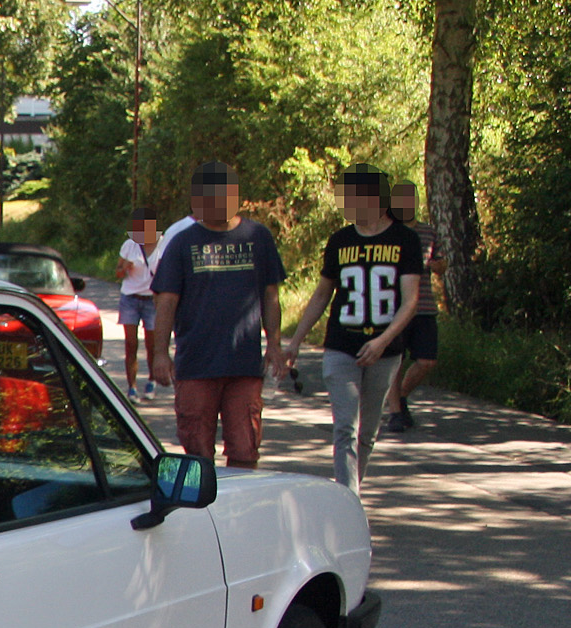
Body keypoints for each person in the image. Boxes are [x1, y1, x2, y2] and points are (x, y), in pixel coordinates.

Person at [284, 165, 422, 492]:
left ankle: (350, 490)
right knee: (345, 427)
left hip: (385, 351)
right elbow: (322, 294)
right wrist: (296, 340)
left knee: (367, 431)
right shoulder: (340, 240)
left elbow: (411, 300)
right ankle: (350, 500)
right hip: (340, 345)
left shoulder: (405, 239)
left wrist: (383, 341)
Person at [149, 162, 287, 468]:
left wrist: (275, 346)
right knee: (197, 454)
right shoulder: (182, 243)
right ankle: (203, 513)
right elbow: (166, 302)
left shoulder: (258, 237)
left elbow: (270, 296)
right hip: (197, 365)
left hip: (244, 366)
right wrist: (159, 353)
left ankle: (240, 512)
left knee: (245, 450)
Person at [382, 179, 443, 432]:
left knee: (427, 360)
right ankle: (396, 412)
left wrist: (433, 264)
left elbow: (440, 263)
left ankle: (402, 396)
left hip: (424, 305)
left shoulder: (428, 231)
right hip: (394, 306)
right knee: (395, 360)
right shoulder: (388, 232)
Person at [114, 208, 164, 401]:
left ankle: (152, 381)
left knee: (152, 344)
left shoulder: (164, 244)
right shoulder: (130, 245)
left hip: (152, 299)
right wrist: (124, 268)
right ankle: (132, 387)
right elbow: (117, 272)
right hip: (130, 298)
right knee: (131, 343)